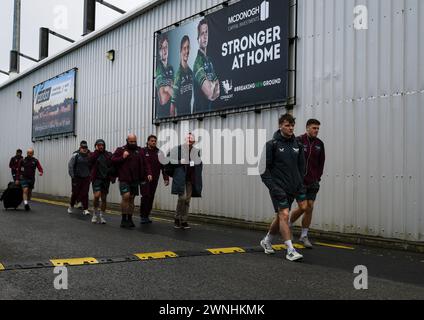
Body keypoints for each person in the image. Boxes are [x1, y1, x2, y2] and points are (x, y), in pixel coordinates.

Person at [259, 114, 308, 262]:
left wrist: (300, 184)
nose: (291, 127)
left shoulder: (297, 145)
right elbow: (263, 170)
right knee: (284, 215)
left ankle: (267, 240)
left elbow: (302, 168)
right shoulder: (272, 144)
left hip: (295, 187)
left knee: (302, 207)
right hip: (278, 188)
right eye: (287, 125)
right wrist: (273, 187)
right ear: (280, 125)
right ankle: (290, 250)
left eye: (292, 125)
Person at [289, 119, 326, 248]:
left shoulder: (320, 144)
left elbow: (321, 163)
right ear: (307, 128)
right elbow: (292, 160)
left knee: (310, 207)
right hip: (300, 181)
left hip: (313, 181)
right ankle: (288, 223)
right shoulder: (298, 141)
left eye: (318, 128)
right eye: (314, 128)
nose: (316, 130)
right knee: (303, 206)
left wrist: (317, 177)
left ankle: (304, 236)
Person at [112, 134, 152, 229]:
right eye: (131, 141)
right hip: (124, 178)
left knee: (132, 198)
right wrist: (123, 157)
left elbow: (146, 163)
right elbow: (113, 160)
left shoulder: (140, 150)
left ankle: (129, 218)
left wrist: (149, 173)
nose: (133, 143)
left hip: (135, 179)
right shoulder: (121, 149)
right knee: (126, 196)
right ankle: (123, 218)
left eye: (134, 141)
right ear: (127, 141)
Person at [169, 133, 203, 229]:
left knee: (187, 200)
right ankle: (177, 218)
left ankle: (184, 220)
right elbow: (168, 160)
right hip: (180, 177)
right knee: (182, 198)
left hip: (190, 179)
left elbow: (199, 163)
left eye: (192, 142)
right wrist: (180, 162)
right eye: (189, 141)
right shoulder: (177, 149)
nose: (190, 143)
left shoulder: (196, 151)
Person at [140, 135, 170, 224]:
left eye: (155, 141)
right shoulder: (143, 151)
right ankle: (143, 216)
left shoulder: (159, 152)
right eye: (152, 141)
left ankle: (147, 215)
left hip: (154, 178)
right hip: (144, 178)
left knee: (151, 196)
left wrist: (166, 178)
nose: (153, 142)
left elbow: (163, 166)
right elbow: (142, 164)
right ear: (148, 141)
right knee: (145, 196)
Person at [193, 18, 220, 114]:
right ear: (198, 39)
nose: (205, 36)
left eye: (206, 32)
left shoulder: (209, 61)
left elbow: (218, 90)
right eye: (202, 33)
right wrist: (213, 84)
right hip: (199, 117)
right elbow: (210, 94)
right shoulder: (197, 63)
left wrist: (211, 84)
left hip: (209, 115)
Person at [89, 139, 115, 225]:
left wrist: (112, 175)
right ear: (96, 146)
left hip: (105, 179)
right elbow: (90, 162)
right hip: (97, 179)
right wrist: (96, 152)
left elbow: (113, 165)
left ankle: (102, 215)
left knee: (104, 198)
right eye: (99, 145)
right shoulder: (93, 154)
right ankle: (95, 214)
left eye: (102, 145)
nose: (101, 146)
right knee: (97, 195)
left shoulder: (108, 154)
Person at [170, 35, 193, 116]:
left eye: (188, 47)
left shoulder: (191, 72)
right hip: (180, 120)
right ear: (180, 50)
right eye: (184, 48)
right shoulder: (178, 75)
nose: (186, 51)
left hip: (190, 118)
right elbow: (172, 106)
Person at [68, 141, 91, 216]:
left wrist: (90, 176)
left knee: (85, 193)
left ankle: (85, 209)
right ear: (80, 148)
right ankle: (71, 206)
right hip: (77, 177)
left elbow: (91, 166)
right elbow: (70, 166)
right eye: (83, 148)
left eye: (86, 148)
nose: (84, 149)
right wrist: (73, 176)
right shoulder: (75, 155)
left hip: (86, 177)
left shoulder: (89, 155)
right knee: (75, 193)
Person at [155, 34, 174, 119]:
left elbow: (175, 94)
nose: (164, 50)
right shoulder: (159, 69)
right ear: (159, 51)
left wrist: (167, 88)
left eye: (166, 47)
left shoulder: (171, 68)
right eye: (161, 48)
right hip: (161, 116)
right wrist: (170, 89)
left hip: (170, 115)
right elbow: (162, 99)